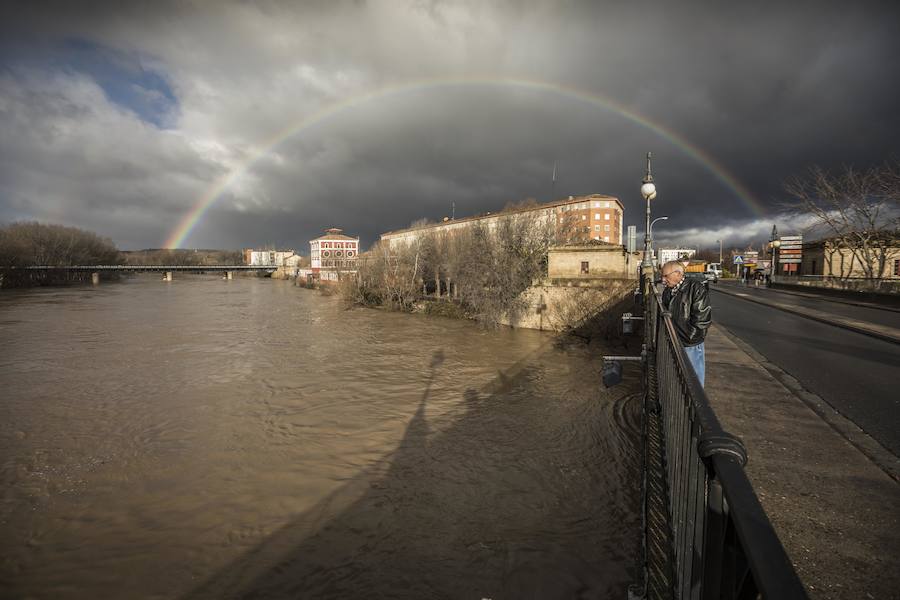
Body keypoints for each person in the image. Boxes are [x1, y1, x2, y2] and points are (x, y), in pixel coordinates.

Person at [660, 260, 712, 386]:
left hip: (690, 345)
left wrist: (689, 339)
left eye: (666, 276)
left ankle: (695, 406)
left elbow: (702, 320)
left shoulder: (696, 289)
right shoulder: (668, 290)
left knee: (694, 383)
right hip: (675, 341)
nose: (663, 280)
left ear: (678, 273)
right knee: (680, 381)